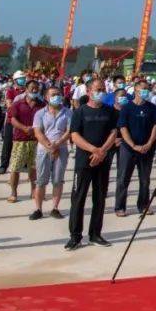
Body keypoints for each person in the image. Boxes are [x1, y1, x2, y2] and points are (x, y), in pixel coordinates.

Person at [66, 80, 118, 250]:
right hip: (84, 161)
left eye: (103, 90)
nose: (101, 92)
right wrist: (93, 150)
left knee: (100, 198)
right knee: (78, 198)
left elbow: (113, 133)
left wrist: (102, 151)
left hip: (103, 160)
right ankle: (75, 235)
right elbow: (74, 135)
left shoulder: (110, 112)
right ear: (88, 91)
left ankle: (95, 233)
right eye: (98, 90)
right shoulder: (80, 111)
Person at [114, 81, 156, 217]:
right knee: (123, 178)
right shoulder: (127, 108)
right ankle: (120, 206)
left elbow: (155, 126)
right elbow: (123, 128)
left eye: (147, 89)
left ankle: (143, 205)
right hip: (128, 148)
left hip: (147, 149)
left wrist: (149, 143)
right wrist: (133, 145)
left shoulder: (152, 108)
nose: (145, 91)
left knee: (145, 179)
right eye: (142, 88)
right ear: (135, 90)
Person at [31, 87, 72, 219]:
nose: (57, 97)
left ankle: (55, 208)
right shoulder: (40, 113)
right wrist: (49, 146)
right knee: (41, 180)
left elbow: (69, 131)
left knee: (58, 180)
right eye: (53, 95)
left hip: (61, 149)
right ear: (46, 97)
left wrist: (58, 144)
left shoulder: (68, 112)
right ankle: (38, 209)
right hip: (44, 149)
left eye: (59, 94)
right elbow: (38, 132)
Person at [6, 83, 42, 203]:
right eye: (32, 88)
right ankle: (13, 192)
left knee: (34, 167)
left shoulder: (42, 105)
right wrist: (24, 128)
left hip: (36, 141)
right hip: (20, 140)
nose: (35, 90)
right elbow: (12, 119)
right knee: (15, 168)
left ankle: (33, 190)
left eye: (36, 88)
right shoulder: (17, 104)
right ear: (26, 90)